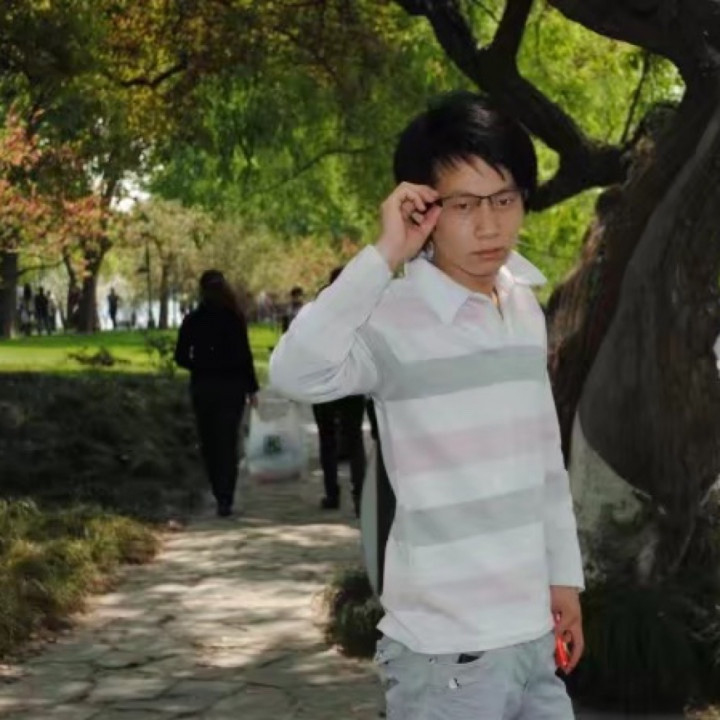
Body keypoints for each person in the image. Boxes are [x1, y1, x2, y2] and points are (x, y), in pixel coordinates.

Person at [270, 92, 585, 719]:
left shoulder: (523, 305)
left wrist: (564, 579)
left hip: (532, 636)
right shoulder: (393, 317)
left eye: (504, 200)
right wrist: (385, 254)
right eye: (463, 205)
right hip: (447, 655)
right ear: (424, 208)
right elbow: (293, 372)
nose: (489, 225)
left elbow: (545, 461)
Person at [174, 270, 259, 517]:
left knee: (209, 441)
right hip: (232, 388)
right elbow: (245, 356)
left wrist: (199, 365)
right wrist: (252, 388)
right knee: (228, 441)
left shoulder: (193, 320)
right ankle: (226, 495)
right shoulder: (234, 318)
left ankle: (218, 490)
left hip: (204, 387)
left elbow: (180, 356)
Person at [310, 267, 367, 516]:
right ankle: (360, 496)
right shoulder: (361, 306)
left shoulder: (320, 306)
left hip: (324, 380)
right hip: (352, 380)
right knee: (354, 438)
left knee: (327, 438)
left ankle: (332, 493)